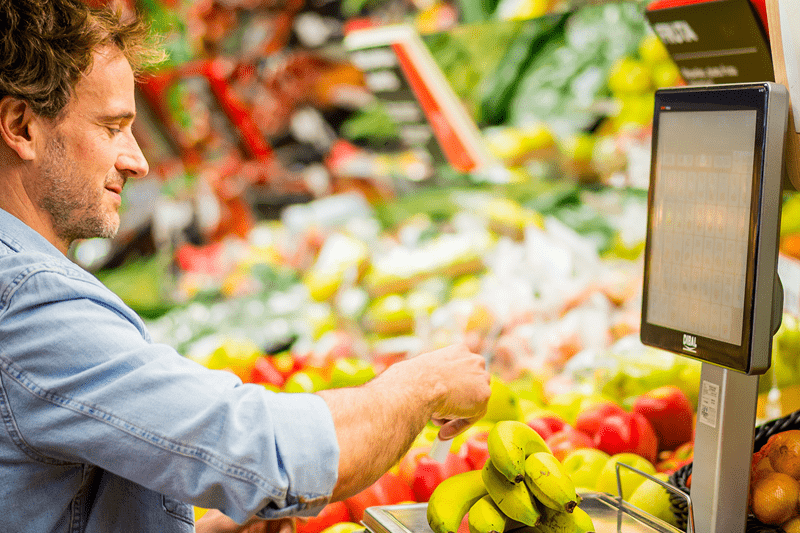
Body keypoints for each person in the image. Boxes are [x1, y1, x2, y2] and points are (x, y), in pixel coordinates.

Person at [0, 1, 492, 532]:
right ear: (21, 126)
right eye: (112, 127)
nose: (137, 159)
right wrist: (421, 386)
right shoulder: (30, 302)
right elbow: (272, 453)